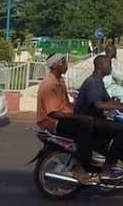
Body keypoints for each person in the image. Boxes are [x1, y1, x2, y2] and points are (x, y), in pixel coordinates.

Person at [74, 54, 123, 181]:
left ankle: (112, 157)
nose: (111, 68)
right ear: (101, 66)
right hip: (88, 121)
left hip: (94, 119)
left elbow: (109, 101)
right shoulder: (92, 82)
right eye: (109, 65)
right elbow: (99, 104)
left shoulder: (99, 81)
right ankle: (107, 167)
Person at [35, 54, 94, 185]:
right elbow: (54, 112)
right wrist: (78, 117)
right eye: (63, 62)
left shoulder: (60, 81)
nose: (66, 65)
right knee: (85, 128)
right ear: (55, 66)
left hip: (61, 116)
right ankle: (79, 166)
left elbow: (66, 105)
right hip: (52, 122)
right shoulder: (49, 84)